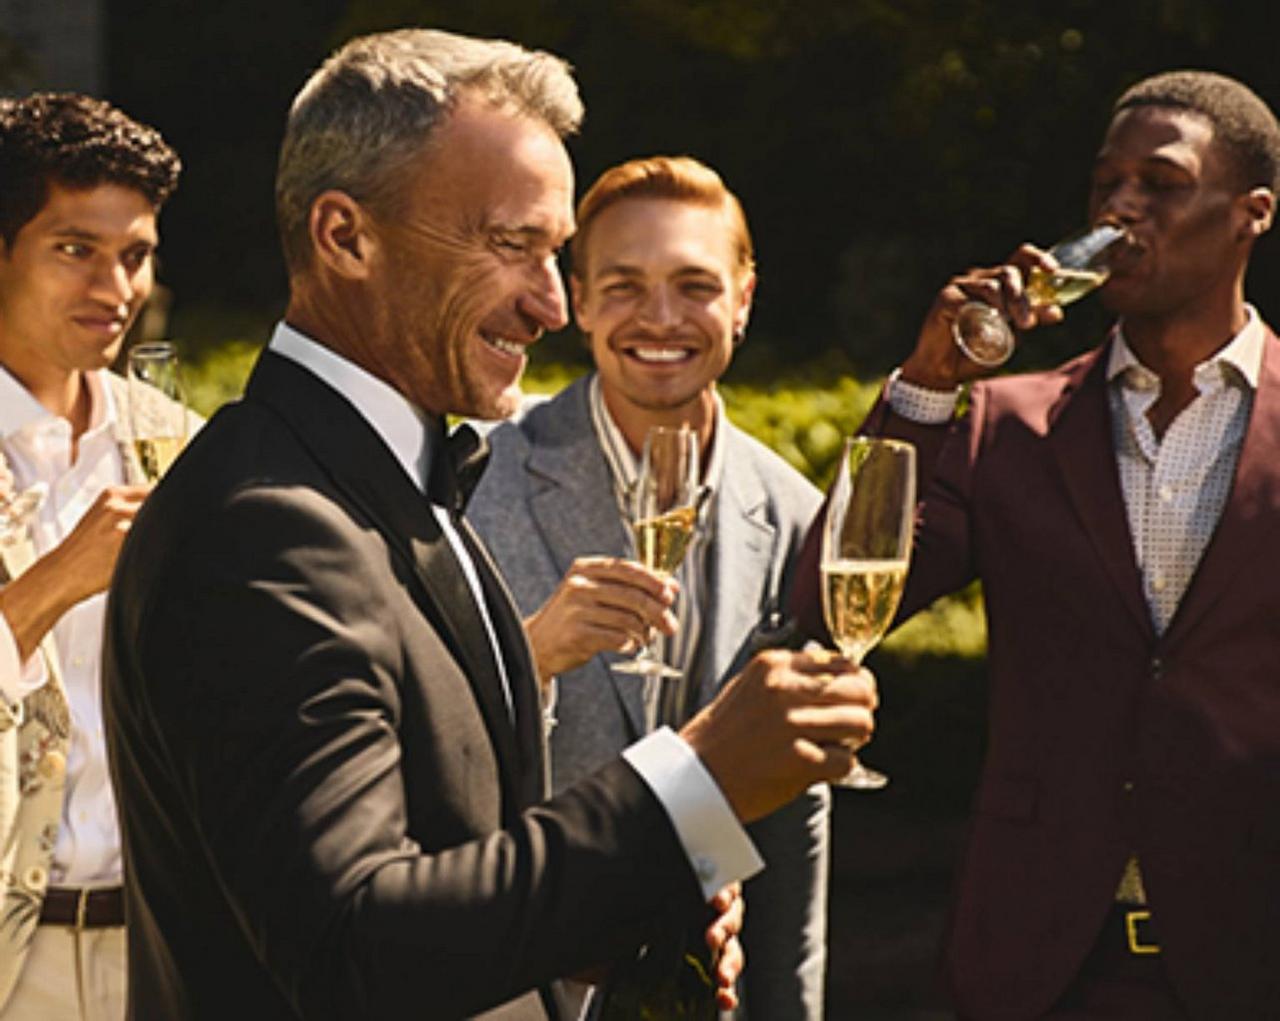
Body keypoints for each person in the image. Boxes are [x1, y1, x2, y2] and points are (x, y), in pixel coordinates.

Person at [101, 29, 877, 1020]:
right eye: (510, 245)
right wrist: (691, 782)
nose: (552, 305)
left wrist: (618, 916)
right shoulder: (265, 526)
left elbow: (440, 863)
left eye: (553, 253)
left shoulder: (396, 476)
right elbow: (352, 947)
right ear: (345, 236)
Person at [793, 70, 1280, 1019]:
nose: (1121, 208)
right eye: (1106, 186)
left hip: (1251, 961)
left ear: (1250, 213)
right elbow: (831, 593)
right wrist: (929, 382)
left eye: (1162, 183)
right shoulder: (1004, 423)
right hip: (1035, 966)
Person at [468, 155, 827, 1019]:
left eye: (695, 284)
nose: (660, 318)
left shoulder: (796, 515)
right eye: (624, 285)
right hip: (511, 981)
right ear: (578, 299)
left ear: (742, 297)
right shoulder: (475, 475)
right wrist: (534, 655)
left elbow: (795, 816)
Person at [0, 92, 183, 1020]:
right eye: (76, 249)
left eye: (135, 255)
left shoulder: (177, 443)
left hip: (157, 949)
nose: (115, 289)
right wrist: (50, 588)